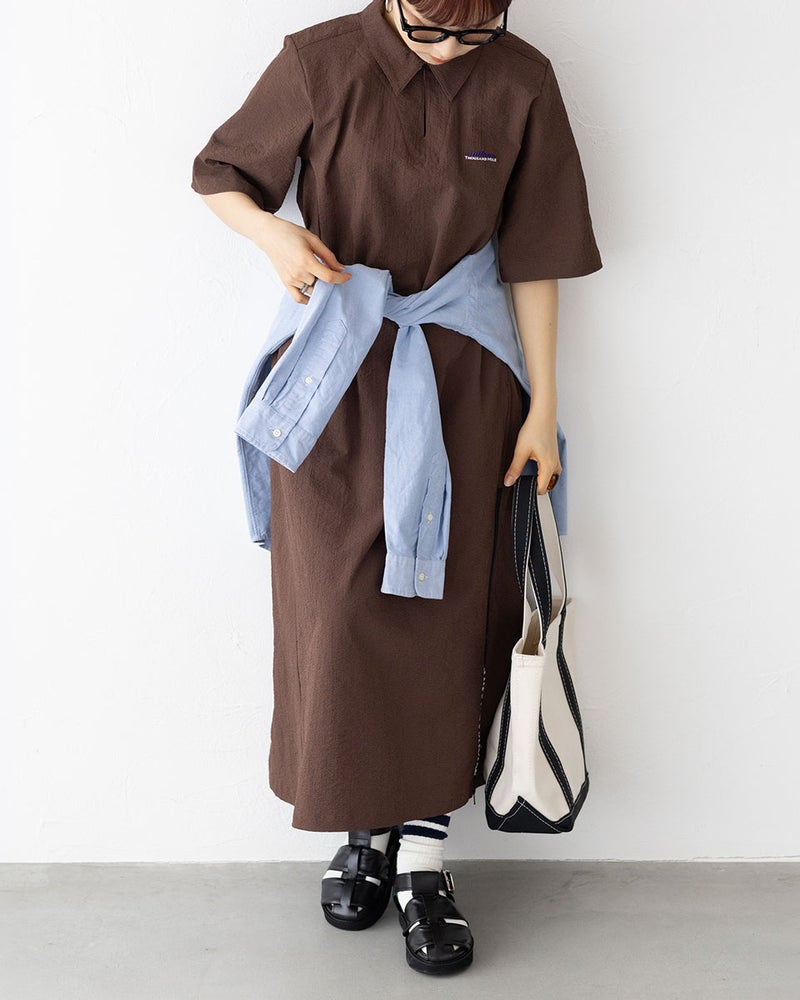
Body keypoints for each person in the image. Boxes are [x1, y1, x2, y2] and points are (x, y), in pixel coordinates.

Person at [191, 0, 602, 975]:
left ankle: (421, 855)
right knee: (335, 612)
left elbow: (537, 257)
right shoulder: (318, 63)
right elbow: (220, 174)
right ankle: (360, 828)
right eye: (431, 27)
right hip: (336, 372)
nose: (452, 49)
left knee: (445, 616)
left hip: (464, 380)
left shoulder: (523, 82)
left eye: (475, 30)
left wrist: (543, 406)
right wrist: (273, 237)